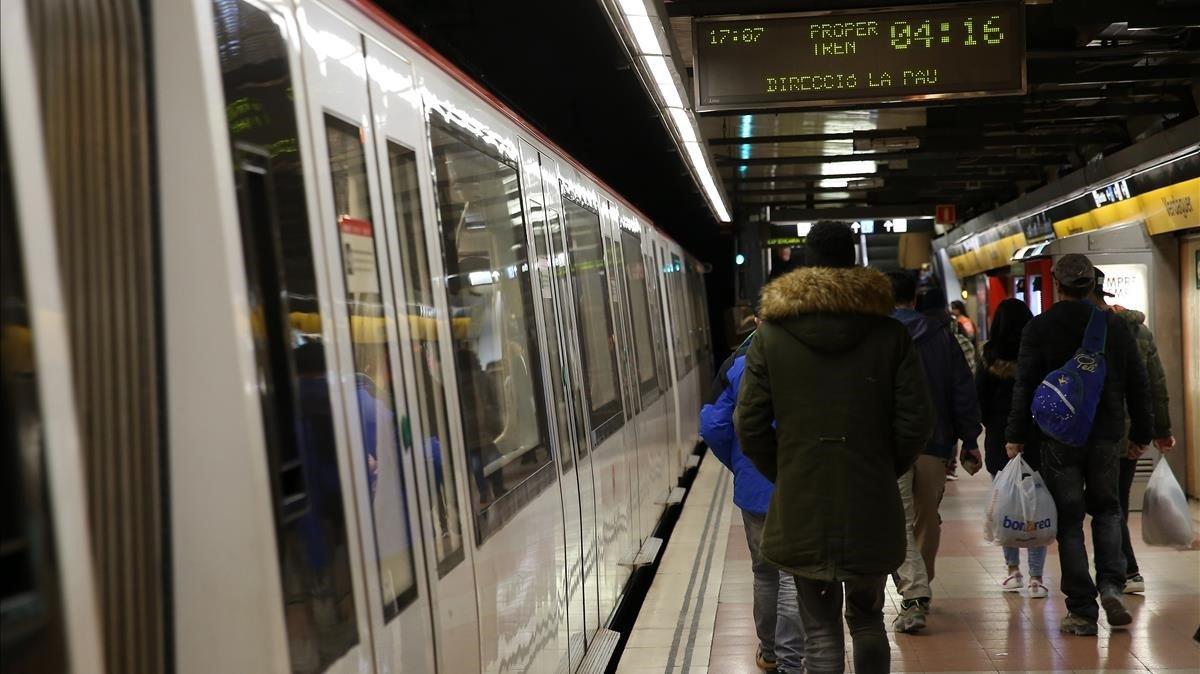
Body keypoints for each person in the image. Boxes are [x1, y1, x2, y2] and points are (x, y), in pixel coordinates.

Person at [736, 221, 933, 674]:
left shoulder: (771, 338)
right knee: (867, 620)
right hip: (870, 498)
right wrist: (883, 466)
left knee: (819, 629)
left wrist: (786, 471)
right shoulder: (891, 337)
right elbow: (916, 421)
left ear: (806, 261)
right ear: (854, 261)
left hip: (803, 501)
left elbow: (748, 424)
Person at [1006, 254, 1153, 636]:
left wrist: (1015, 435)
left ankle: (1083, 611)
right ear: (1093, 284)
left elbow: (1025, 385)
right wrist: (1141, 434)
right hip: (1105, 435)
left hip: (1058, 438)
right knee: (1107, 510)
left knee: (1069, 522)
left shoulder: (1039, 327)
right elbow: (1139, 382)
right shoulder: (1114, 326)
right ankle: (1111, 586)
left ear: (1056, 283)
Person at [701, 323, 805, 674]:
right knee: (793, 576)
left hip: (756, 487)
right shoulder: (811, 357)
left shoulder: (741, 362)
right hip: (801, 485)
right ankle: (793, 661)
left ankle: (771, 652)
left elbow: (713, 425)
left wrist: (741, 463)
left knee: (765, 574)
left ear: (759, 322)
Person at [887, 272, 982, 633]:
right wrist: (970, 438)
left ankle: (914, 591)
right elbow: (962, 389)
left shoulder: (878, 338)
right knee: (927, 517)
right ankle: (919, 591)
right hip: (935, 442)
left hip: (890, 444)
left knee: (899, 519)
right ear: (915, 298)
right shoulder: (943, 339)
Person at [1089, 269, 1175, 595]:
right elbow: (1156, 384)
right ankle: (1125, 569)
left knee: (1105, 505)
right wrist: (1160, 430)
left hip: (1095, 431)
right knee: (1116, 503)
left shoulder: (1085, 329)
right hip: (1128, 433)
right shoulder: (1139, 331)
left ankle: (1127, 570)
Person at [977, 298, 1048, 598]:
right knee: (1036, 505)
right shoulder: (1039, 352)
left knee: (1006, 503)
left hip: (999, 439)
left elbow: (978, 400)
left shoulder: (988, 356)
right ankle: (1036, 576)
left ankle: (1012, 571)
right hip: (1035, 435)